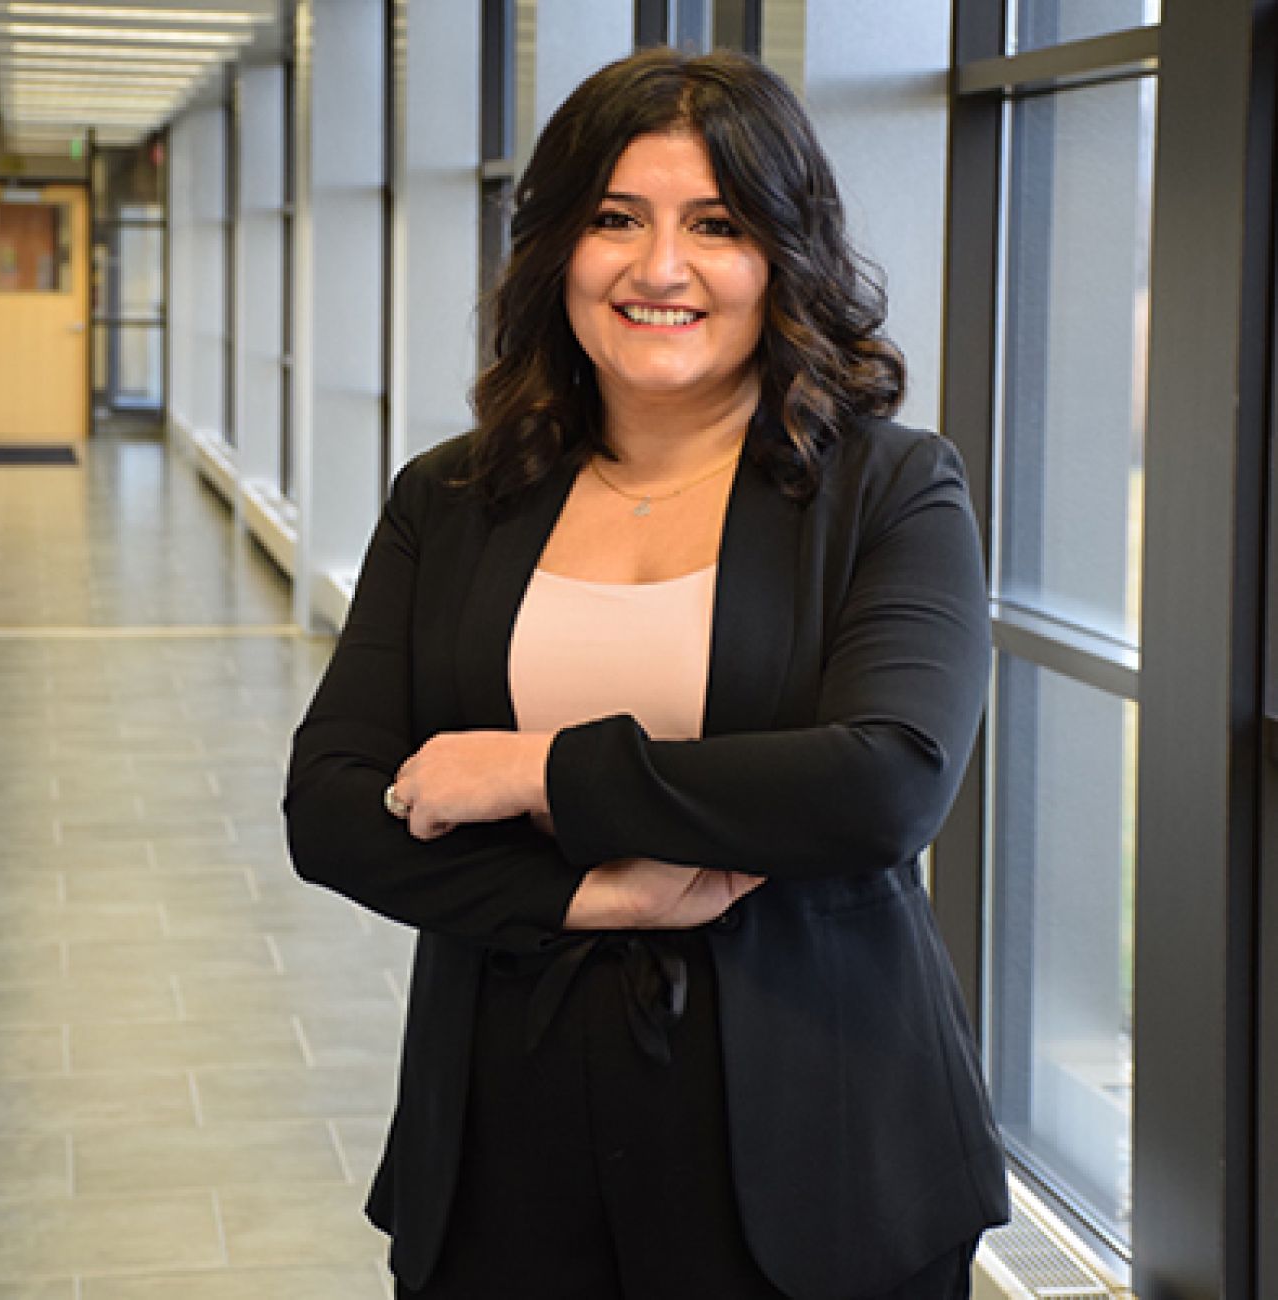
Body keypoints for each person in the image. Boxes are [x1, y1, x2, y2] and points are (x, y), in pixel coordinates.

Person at [284, 46, 1009, 1300]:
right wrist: (585, 900)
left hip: (819, 1138)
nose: (659, 268)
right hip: (504, 1128)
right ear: (556, 244)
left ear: (784, 254)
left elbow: (883, 784)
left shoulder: (890, 487)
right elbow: (333, 807)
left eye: (715, 224)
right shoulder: (452, 497)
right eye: (615, 218)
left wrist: (535, 772)